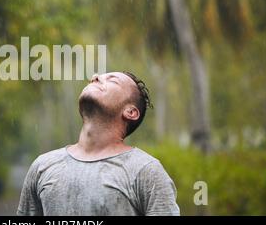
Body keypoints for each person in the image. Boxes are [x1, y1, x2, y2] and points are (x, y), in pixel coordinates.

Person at [17, 71, 180, 216]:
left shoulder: (147, 172)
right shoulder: (42, 166)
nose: (95, 77)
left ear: (130, 112)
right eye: (98, 77)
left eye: (113, 80)